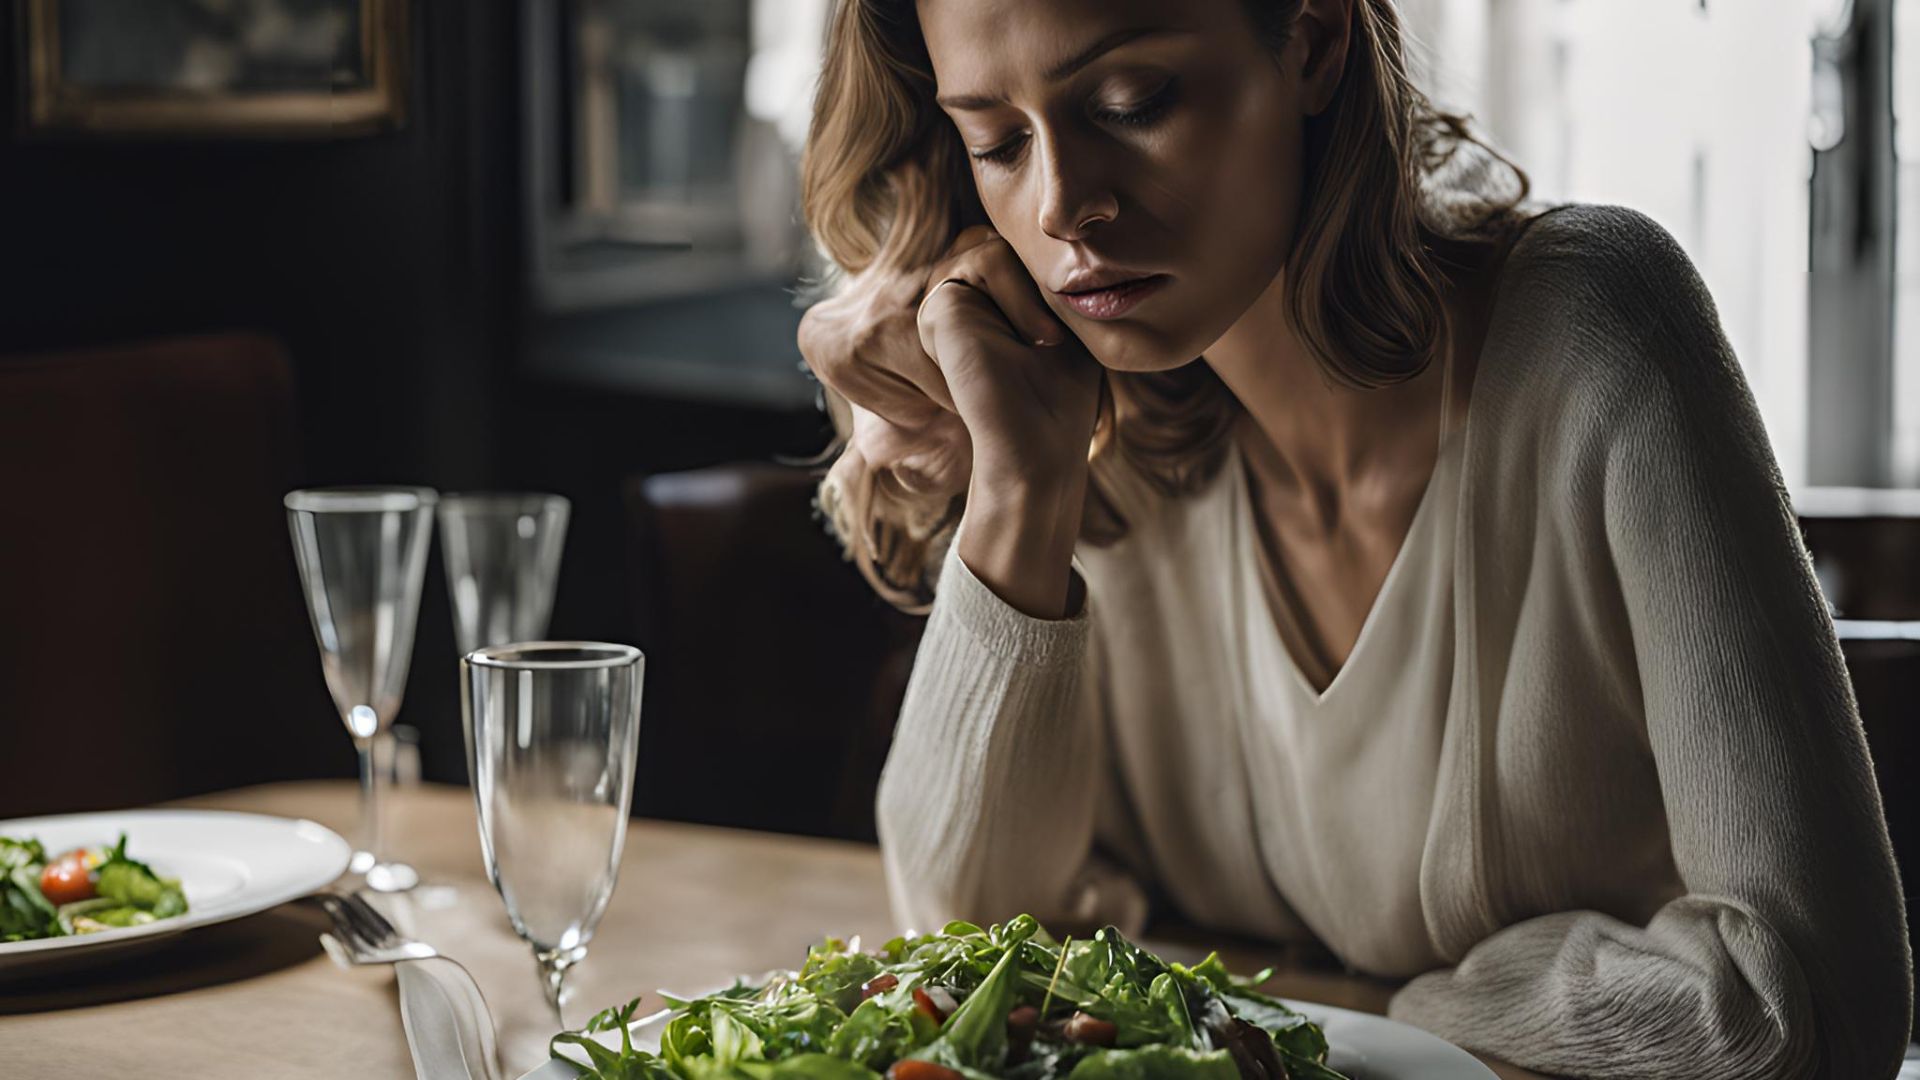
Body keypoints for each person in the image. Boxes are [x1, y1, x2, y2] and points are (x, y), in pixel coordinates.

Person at [794, 1, 1913, 1077]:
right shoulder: (1090, 437)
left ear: (1316, 42)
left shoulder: (1594, 336)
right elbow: (963, 960)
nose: (1061, 206)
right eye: (996, 141)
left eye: (1133, 102)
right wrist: (1019, 491)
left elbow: (1804, 1005)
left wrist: (1373, 1013)